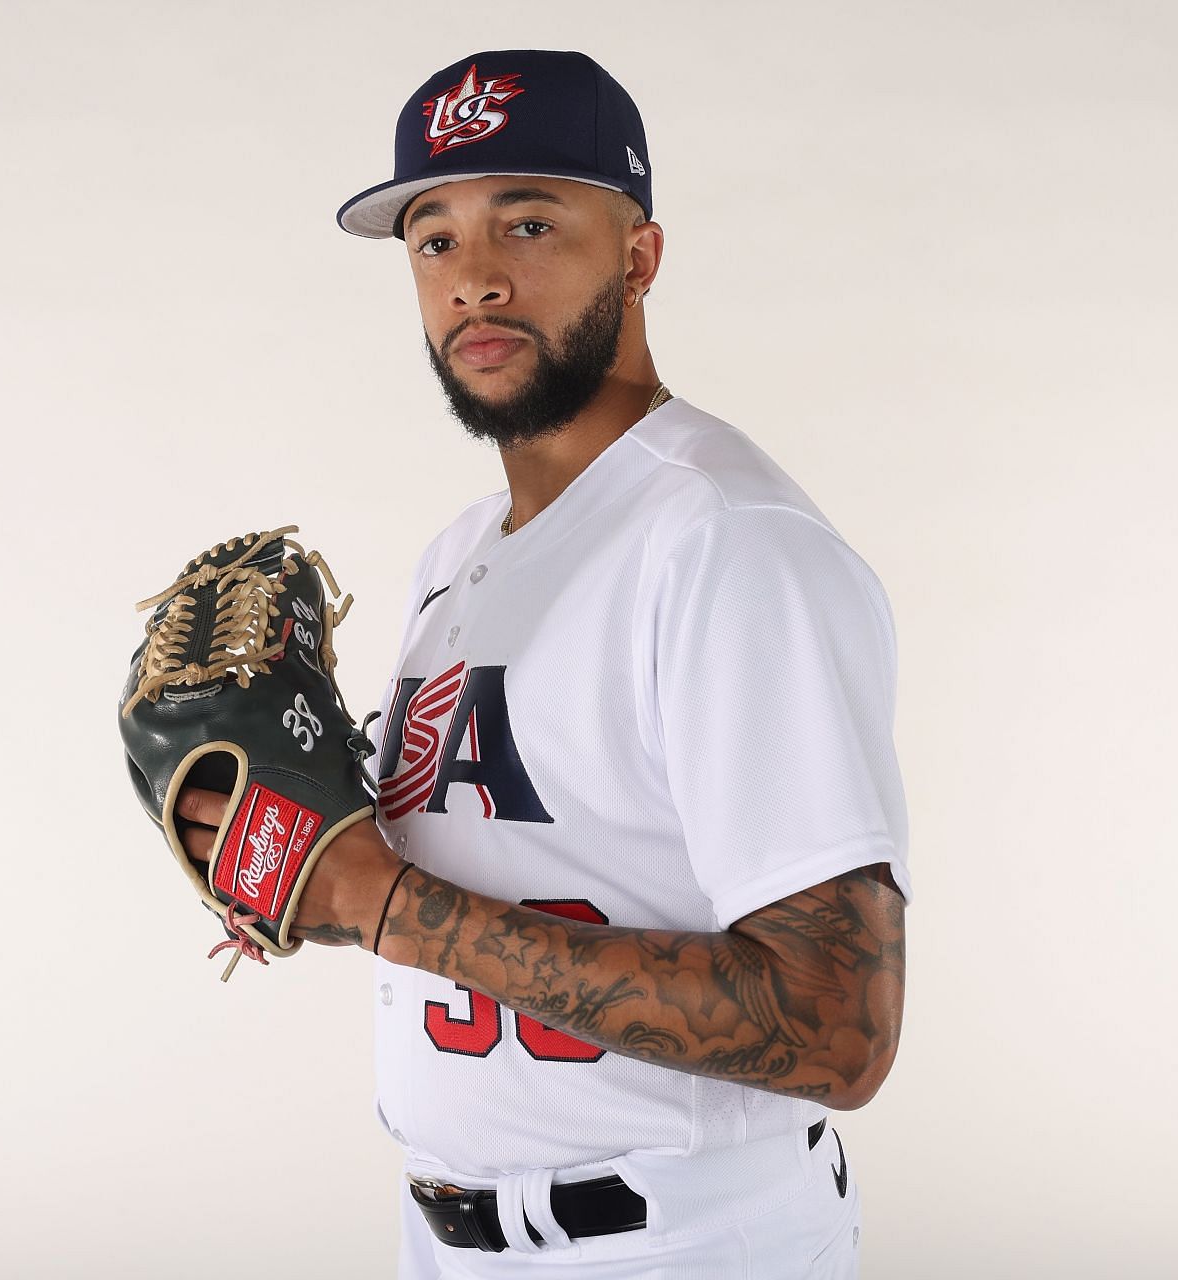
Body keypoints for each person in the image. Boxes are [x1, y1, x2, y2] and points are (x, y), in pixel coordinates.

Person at [175, 49, 909, 1277]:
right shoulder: (457, 554)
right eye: (434, 238)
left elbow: (836, 1025)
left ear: (638, 255)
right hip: (447, 1231)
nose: (477, 278)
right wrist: (302, 866)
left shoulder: (723, 544)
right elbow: (497, 871)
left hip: (679, 1243)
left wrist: (388, 906)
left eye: (529, 219)